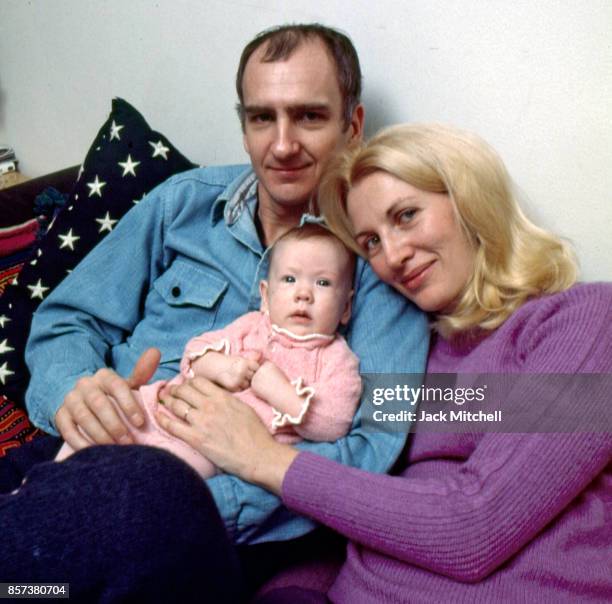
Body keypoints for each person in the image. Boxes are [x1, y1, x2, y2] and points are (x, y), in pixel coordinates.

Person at [0, 23, 428, 599]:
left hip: (204, 519)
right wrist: (77, 395)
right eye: (261, 118)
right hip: (80, 450)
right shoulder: (183, 203)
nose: (281, 145)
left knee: (134, 503)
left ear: (353, 126)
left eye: (309, 117)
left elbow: (372, 449)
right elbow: (66, 320)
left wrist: (214, 485)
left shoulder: (374, 265)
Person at [156, 123, 612, 602]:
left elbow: (476, 526)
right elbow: (362, 508)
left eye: (407, 215)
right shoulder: (411, 359)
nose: (392, 256)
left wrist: (263, 458)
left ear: (470, 198)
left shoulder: (584, 322)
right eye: (370, 242)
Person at [56, 223, 363, 478]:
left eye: (322, 282)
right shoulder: (251, 324)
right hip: (160, 405)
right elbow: (195, 350)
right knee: (102, 416)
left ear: (346, 307)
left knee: (164, 475)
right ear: (266, 297)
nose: (303, 294)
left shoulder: (337, 358)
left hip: (201, 447)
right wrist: (221, 368)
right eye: (289, 279)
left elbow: (335, 421)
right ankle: (44, 483)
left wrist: (281, 393)